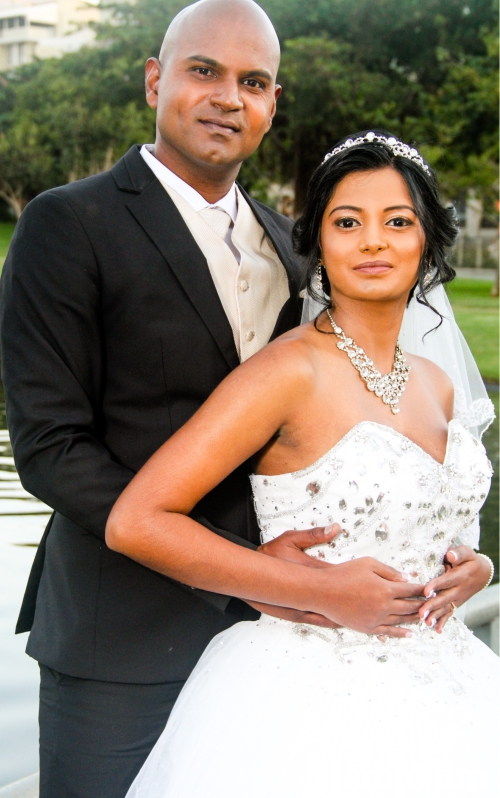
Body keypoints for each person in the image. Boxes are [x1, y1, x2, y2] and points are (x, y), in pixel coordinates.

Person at [0, 2, 446, 795]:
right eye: (203, 71)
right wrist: (248, 572)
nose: (228, 98)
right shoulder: (66, 224)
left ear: (273, 104)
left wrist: (448, 563)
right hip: (121, 636)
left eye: (254, 81)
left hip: (282, 645)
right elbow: (49, 449)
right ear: (154, 81)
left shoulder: (295, 249)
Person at [106, 132, 498, 797]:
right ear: (317, 241)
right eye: (347, 223)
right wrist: (317, 590)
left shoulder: (436, 383)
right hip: (310, 696)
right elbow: (137, 521)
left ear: (428, 242)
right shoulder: (288, 372)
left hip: (449, 682)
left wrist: (477, 567)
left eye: (397, 222)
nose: (372, 242)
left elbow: (437, 524)